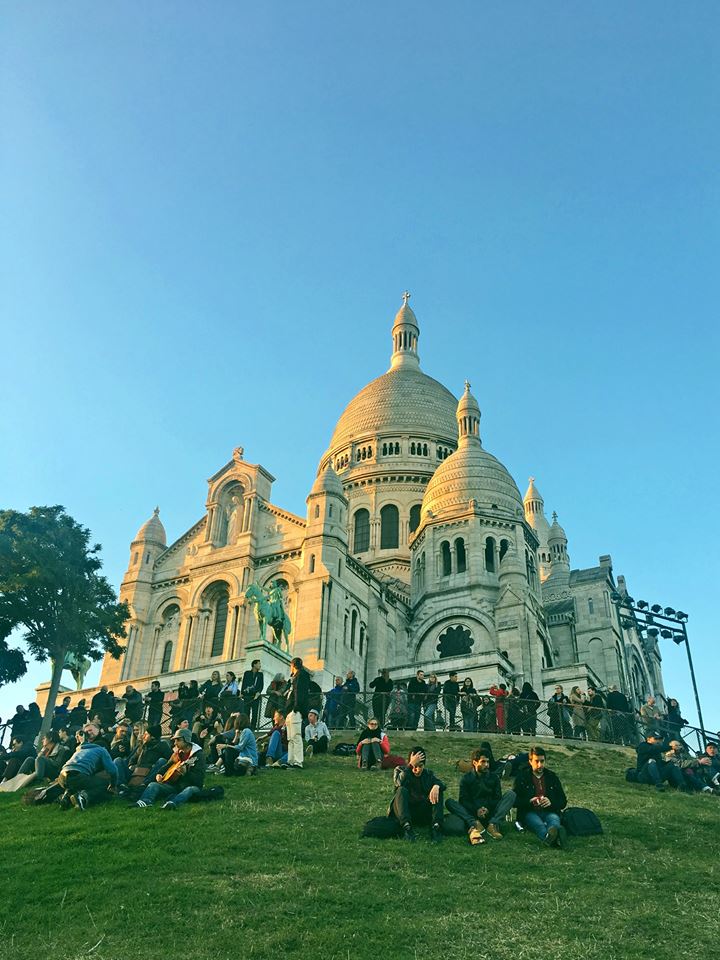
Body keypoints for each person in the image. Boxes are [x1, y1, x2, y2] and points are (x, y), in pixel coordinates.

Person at [446, 749, 517, 845]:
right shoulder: (466, 779)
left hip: (491, 813)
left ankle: (493, 825)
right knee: (449, 802)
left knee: (511, 794)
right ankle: (475, 823)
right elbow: (464, 801)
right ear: (475, 763)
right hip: (473, 814)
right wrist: (476, 810)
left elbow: (497, 799)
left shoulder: (494, 778)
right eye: (483, 762)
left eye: (488, 762)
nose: (487, 765)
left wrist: (487, 809)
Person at [133, 728, 206, 809]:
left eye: (178, 740)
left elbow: (199, 779)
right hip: (175, 786)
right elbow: (166, 766)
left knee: (189, 790)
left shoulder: (198, 756)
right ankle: (145, 801)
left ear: (186, 740)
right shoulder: (177, 753)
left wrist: (186, 773)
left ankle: (172, 803)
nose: (175, 743)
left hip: (192, 786)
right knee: (153, 785)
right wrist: (159, 774)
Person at [513, 746, 568, 848]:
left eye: (542, 761)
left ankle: (552, 836)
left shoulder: (552, 777)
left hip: (549, 811)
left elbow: (563, 801)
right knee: (538, 825)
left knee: (554, 820)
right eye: (536, 761)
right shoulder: (522, 777)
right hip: (529, 812)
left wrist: (551, 802)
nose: (540, 765)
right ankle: (554, 840)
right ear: (530, 761)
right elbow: (514, 801)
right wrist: (529, 801)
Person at [389, 747, 445, 843]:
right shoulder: (400, 770)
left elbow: (442, 784)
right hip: (405, 811)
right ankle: (407, 828)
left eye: (420, 766)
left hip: (421, 811)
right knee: (401, 790)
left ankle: (436, 827)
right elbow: (398, 783)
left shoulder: (428, 774)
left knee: (438, 790)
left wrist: (437, 785)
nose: (417, 769)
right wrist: (410, 766)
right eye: (415, 766)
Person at [58, 723, 118, 811]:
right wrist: (113, 785)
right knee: (104, 784)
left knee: (76, 783)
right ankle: (82, 797)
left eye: (91, 730)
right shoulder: (101, 750)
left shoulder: (80, 749)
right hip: (78, 775)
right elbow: (113, 771)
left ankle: (66, 798)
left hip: (62, 777)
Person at [285, 656, 310, 768]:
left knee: (296, 736)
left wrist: (296, 707)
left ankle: (298, 761)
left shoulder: (302, 675)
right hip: (290, 710)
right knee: (290, 738)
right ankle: (291, 760)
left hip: (296, 709)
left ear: (293, 665)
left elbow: (299, 692)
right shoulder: (295, 676)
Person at [241, 659, 265, 730]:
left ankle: (253, 727)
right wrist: (242, 693)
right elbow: (244, 683)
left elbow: (261, 685)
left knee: (255, 713)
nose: (260, 665)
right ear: (254, 665)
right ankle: (246, 726)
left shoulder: (260, 674)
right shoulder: (247, 673)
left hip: (255, 696)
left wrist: (258, 692)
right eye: (258, 664)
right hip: (247, 696)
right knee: (246, 712)